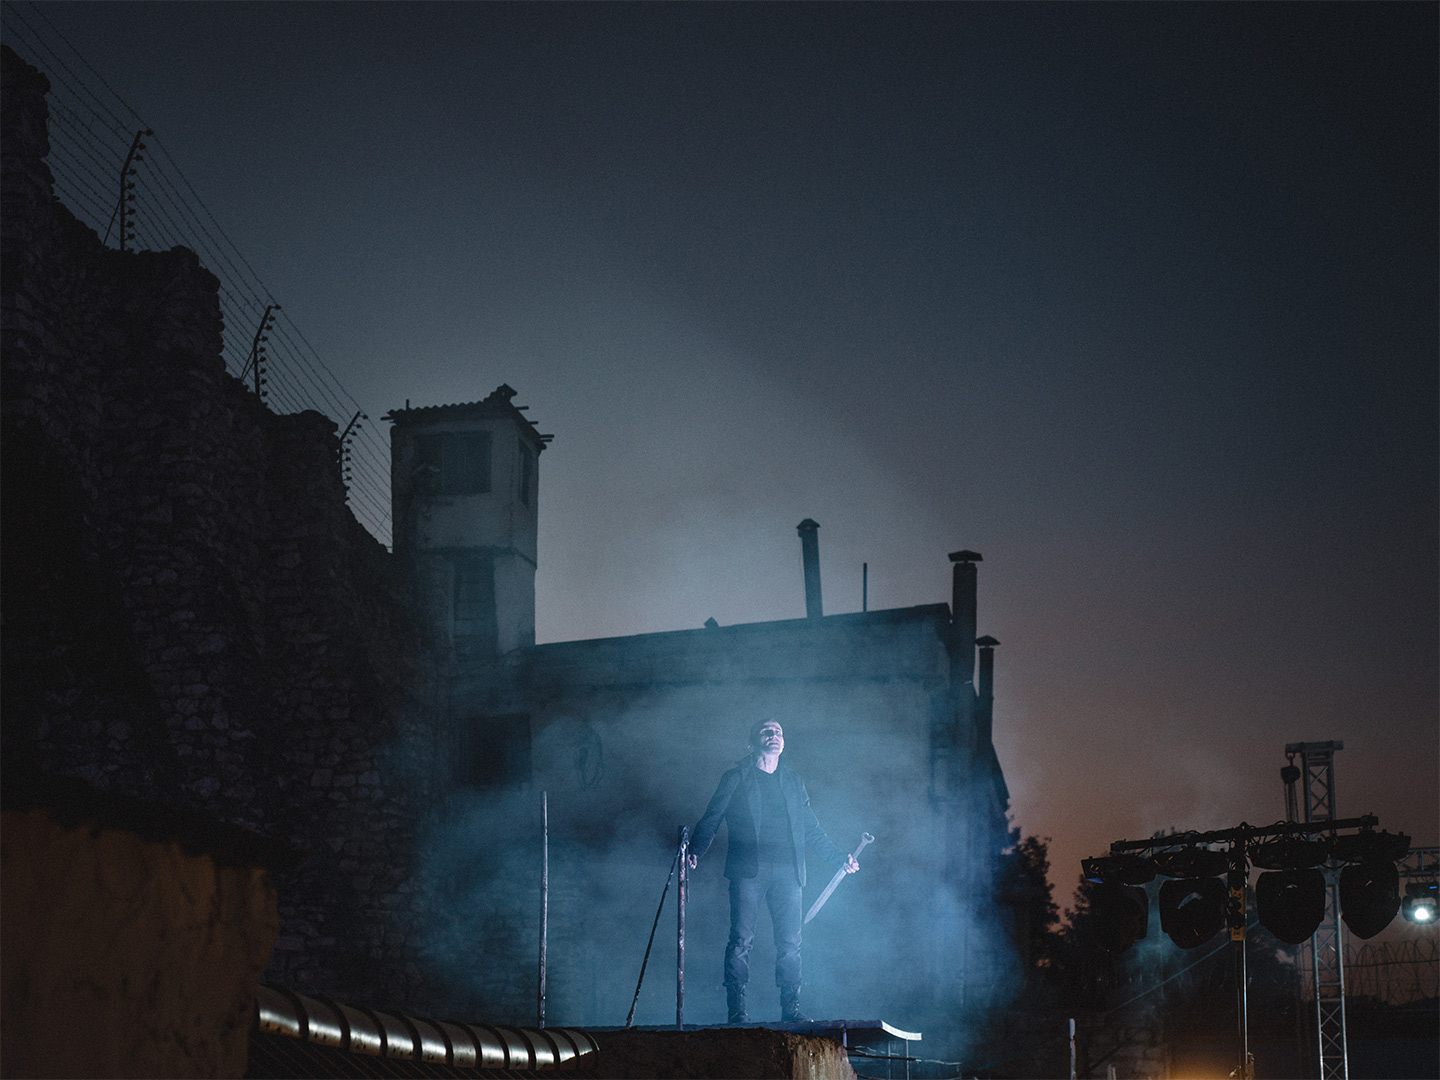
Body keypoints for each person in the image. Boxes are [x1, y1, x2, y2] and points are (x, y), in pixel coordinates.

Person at [688, 718, 859, 1024]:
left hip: (789, 874)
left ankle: (791, 1010)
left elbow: (811, 829)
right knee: (741, 940)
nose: (774, 735)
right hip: (748, 872)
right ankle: (737, 1012)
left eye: (779, 731)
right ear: (753, 740)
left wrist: (838, 858)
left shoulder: (793, 782)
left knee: (790, 944)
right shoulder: (736, 778)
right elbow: (713, 816)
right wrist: (696, 850)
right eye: (767, 731)